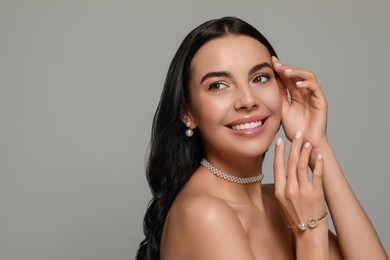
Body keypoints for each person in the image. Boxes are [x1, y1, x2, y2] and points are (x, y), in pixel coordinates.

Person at [136, 17, 387, 259]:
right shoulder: (205, 214)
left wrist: (316, 144)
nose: (247, 100)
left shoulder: (279, 203)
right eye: (219, 85)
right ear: (187, 113)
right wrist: (309, 232)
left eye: (260, 78)